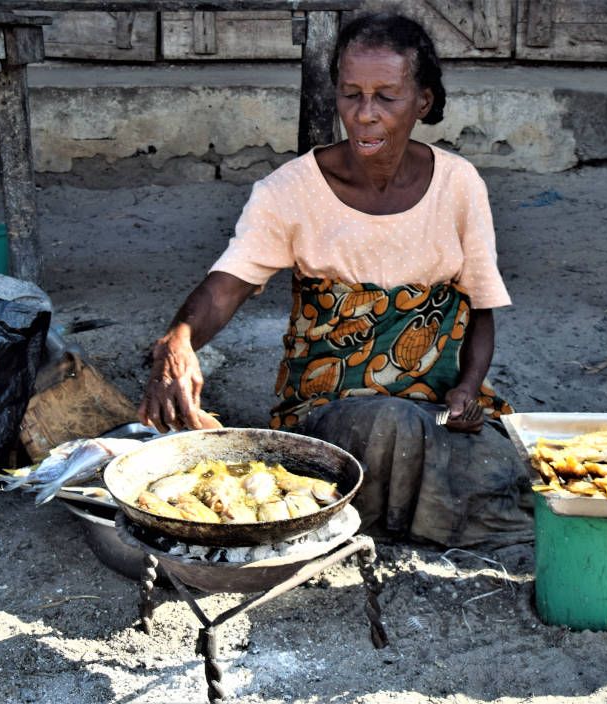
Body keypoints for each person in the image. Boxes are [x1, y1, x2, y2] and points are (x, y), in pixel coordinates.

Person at [138, 13, 532, 549]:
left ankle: (399, 500)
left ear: (422, 101)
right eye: (351, 95)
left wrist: (466, 388)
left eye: (386, 97)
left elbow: (479, 307)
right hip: (329, 412)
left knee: (498, 463)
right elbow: (224, 287)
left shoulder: (459, 184)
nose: (364, 115)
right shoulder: (289, 191)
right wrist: (177, 340)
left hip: (436, 403)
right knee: (383, 430)